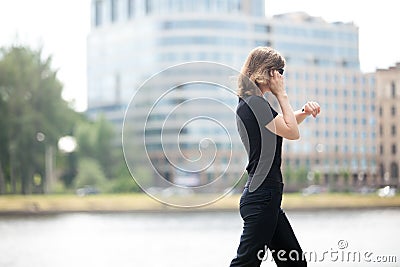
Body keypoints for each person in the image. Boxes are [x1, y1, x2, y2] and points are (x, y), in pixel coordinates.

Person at [230, 46, 320, 267]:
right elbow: (292, 132)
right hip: (262, 197)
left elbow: (283, 125)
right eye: (279, 71)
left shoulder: (249, 103)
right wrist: (282, 95)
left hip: (265, 197)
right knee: (245, 264)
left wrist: (304, 112)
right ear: (268, 72)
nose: (281, 77)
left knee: (294, 263)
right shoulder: (256, 103)